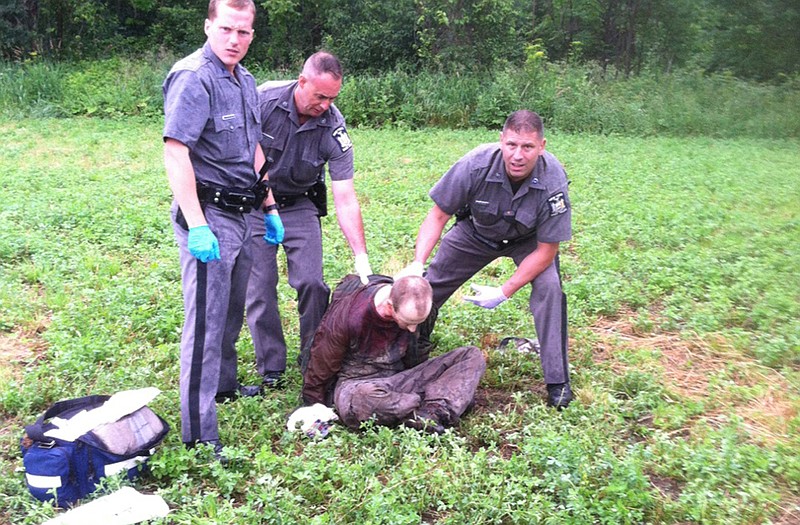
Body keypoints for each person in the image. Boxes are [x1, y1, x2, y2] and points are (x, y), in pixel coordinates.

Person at [163, 0, 284, 455]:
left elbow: (252, 146)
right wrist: (196, 224)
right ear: (209, 26)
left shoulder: (245, 80)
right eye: (227, 29)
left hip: (244, 213)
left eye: (245, 32)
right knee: (205, 325)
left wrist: (269, 205)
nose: (236, 40)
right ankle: (198, 434)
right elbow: (176, 152)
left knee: (232, 311)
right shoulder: (193, 77)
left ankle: (225, 386)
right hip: (208, 214)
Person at [397, 110, 574, 409]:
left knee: (550, 290)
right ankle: (411, 348)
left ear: (542, 146)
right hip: (476, 233)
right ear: (501, 140)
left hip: (527, 241)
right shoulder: (474, 164)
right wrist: (417, 263)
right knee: (428, 285)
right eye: (512, 145)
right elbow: (438, 215)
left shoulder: (553, 182)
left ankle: (558, 380)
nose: (518, 155)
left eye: (528, 147)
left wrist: (504, 291)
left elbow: (546, 251)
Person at [245, 51, 370, 389]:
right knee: (260, 287)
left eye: (332, 97)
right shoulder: (263, 100)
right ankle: (271, 365)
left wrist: (361, 258)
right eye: (320, 96)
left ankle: (313, 357)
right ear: (302, 82)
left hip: (299, 204)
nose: (326, 105)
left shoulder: (334, 127)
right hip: (257, 203)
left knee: (312, 283)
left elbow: (345, 195)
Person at [301, 274, 486, 434]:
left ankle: (427, 412)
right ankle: (431, 406)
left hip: (401, 379)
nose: (413, 329)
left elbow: (419, 354)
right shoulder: (350, 316)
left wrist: (423, 377)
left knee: (471, 355)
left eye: (418, 323)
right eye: (408, 322)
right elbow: (321, 363)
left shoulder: (422, 312)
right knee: (363, 399)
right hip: (357, 384)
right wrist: (313, 406)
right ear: (390, 306)